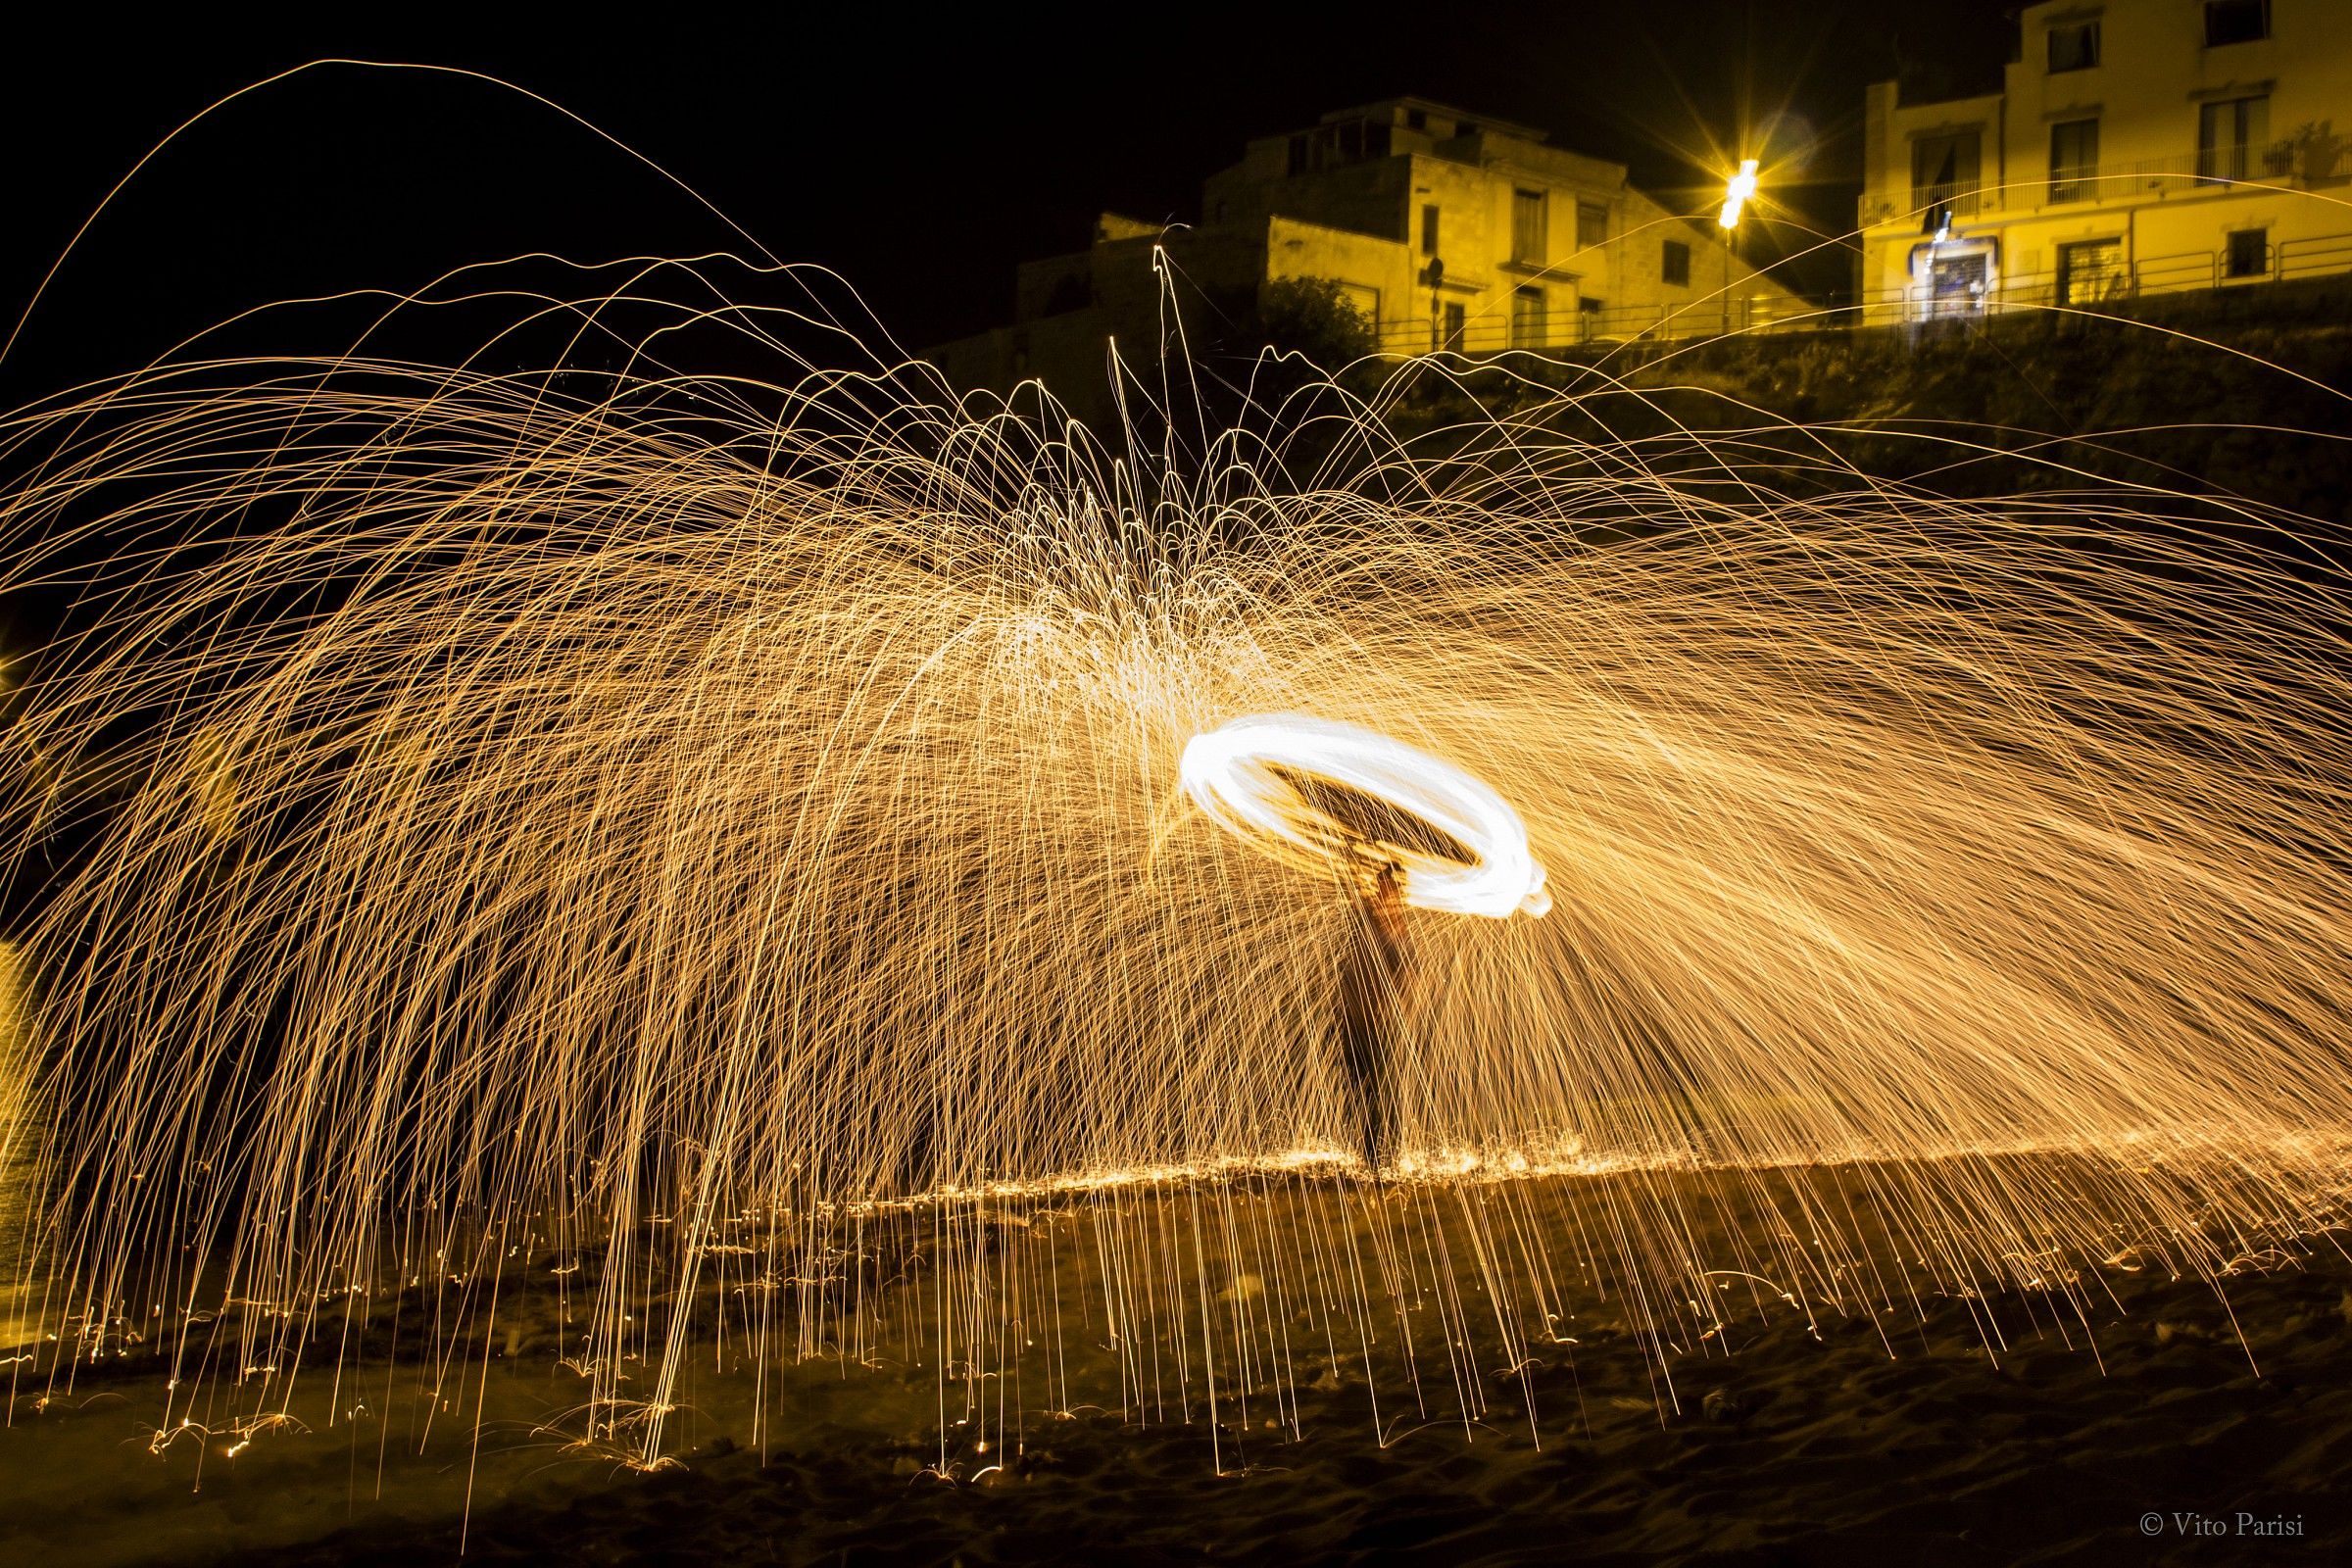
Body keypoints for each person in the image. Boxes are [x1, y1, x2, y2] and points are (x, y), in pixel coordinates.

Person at [1335, 857, 1409, 1178]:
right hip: (1352, 1021)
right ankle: (1370, 1159)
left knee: (1375, 1094)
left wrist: (1400, 1004)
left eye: (1393, 889)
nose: (1388, 894)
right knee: (1360, 1091)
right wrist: (1351, 854)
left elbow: (1408, 973)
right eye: (1385, 887)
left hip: (1375, 1026)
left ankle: (1377, 1160)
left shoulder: (1396, 929)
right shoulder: (1368, 916)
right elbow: (1350, 882)